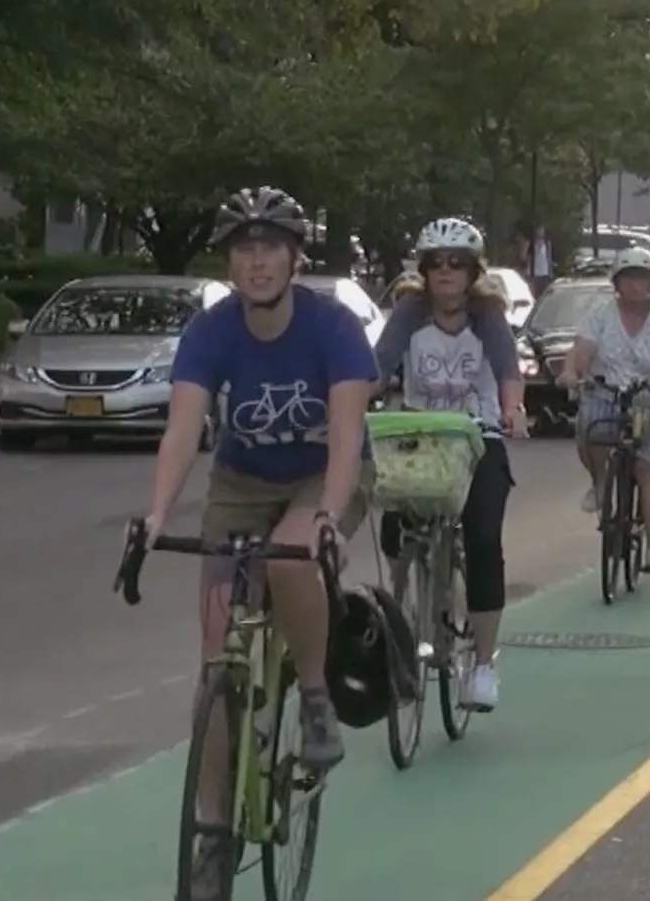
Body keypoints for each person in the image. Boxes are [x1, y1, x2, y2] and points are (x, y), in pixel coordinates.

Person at [140, 185, 376, 894]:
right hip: (240, 484)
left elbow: (344, 435)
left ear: (295, 256)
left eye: (270, 246)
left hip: (319, 478)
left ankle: (312, 694)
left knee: (293, 558)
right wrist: (154, 515)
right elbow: (184, 431)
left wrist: (330, 514)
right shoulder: (210, 331)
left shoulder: (334, 327)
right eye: (243, 249)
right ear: (231, 263)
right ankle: (213, 834)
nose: (257, 262)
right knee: (217, 668)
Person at [372, 217, 527, 711]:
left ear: (472, 272)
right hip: (418, 435)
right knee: (395, 529)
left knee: (483, 539)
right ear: (423, 270)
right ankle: (403, 612)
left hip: (476, 439)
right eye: (435, 263)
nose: (445, 272)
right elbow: (377, 368)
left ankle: (482, 665)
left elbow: (507, 369)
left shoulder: (488, 316)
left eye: (456, 264)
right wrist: (350, 401)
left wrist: (511, 409)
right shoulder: (409, 314)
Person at [557, 248, 650, 574]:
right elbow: (581, 350)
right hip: (608, 393)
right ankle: (601, 482)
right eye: (628, 277)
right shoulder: (600, 315)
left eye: (642, 278)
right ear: (616, 282)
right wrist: (571, 374)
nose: (635, 285)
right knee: (589, 428)